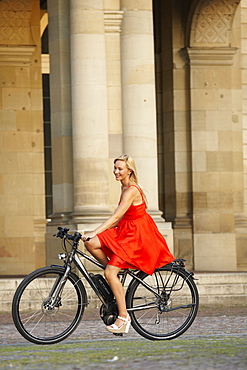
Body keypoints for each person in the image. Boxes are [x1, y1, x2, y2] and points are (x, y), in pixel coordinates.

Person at [81, 154, 174, 334]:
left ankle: (124, 317)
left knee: (109, 272)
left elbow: (116, 216)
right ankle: (115, 273)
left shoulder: (131, 190)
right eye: (115, 168)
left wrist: (94, 231)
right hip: (125, 231)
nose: (116, 171)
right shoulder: (124, 188)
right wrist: (92, 236)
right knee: (91, 244)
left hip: (136, 237)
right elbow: (120, 219)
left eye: (120, 169)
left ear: (129, 171)